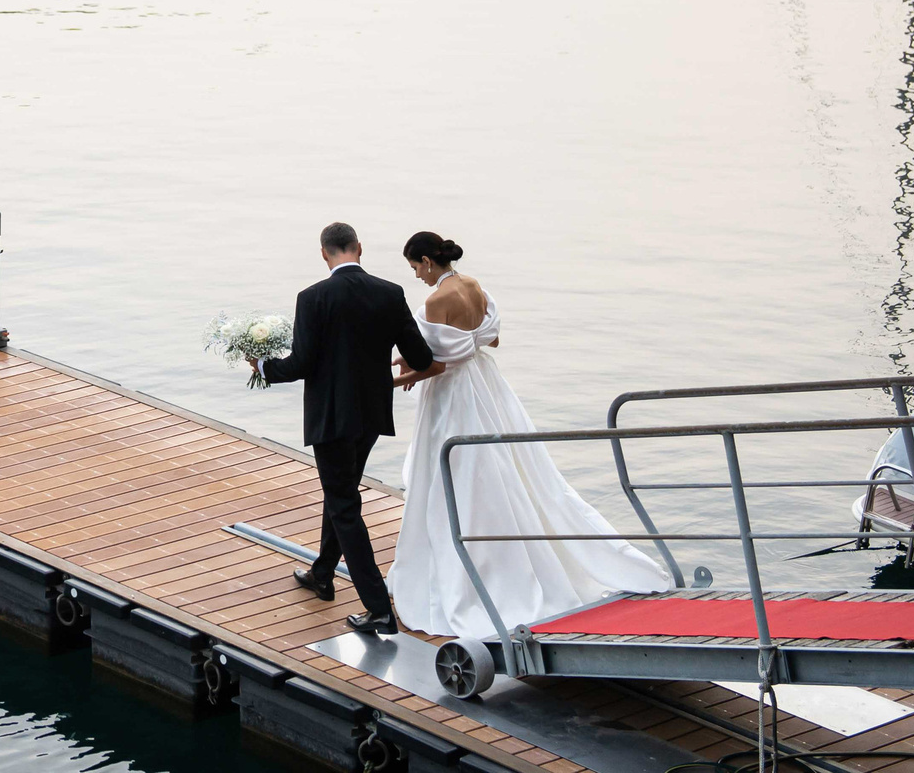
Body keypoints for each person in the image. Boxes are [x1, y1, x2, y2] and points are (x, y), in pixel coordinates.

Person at [386, 231, 670, 638]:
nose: (417, 276)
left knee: (455, 473)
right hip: (487, 385)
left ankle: (469, 564)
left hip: (454, 396)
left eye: (416, 268)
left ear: (428, 262)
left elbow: (438, 365)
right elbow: (489, 339)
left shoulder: (434, 301)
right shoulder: (473, 286)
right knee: (506, 467)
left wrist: (394, 380)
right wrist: (414, 360)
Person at [251, 222, 438, 636]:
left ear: (324, 253)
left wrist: (263, 367)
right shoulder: (390, 293)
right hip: (371, 415)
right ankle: (322, 574)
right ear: (359, 248)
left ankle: (379, 609)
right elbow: (422, 357)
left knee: (344, 505)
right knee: (342, 494)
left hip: (331, 419)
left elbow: (300, 364)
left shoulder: (313, 297)